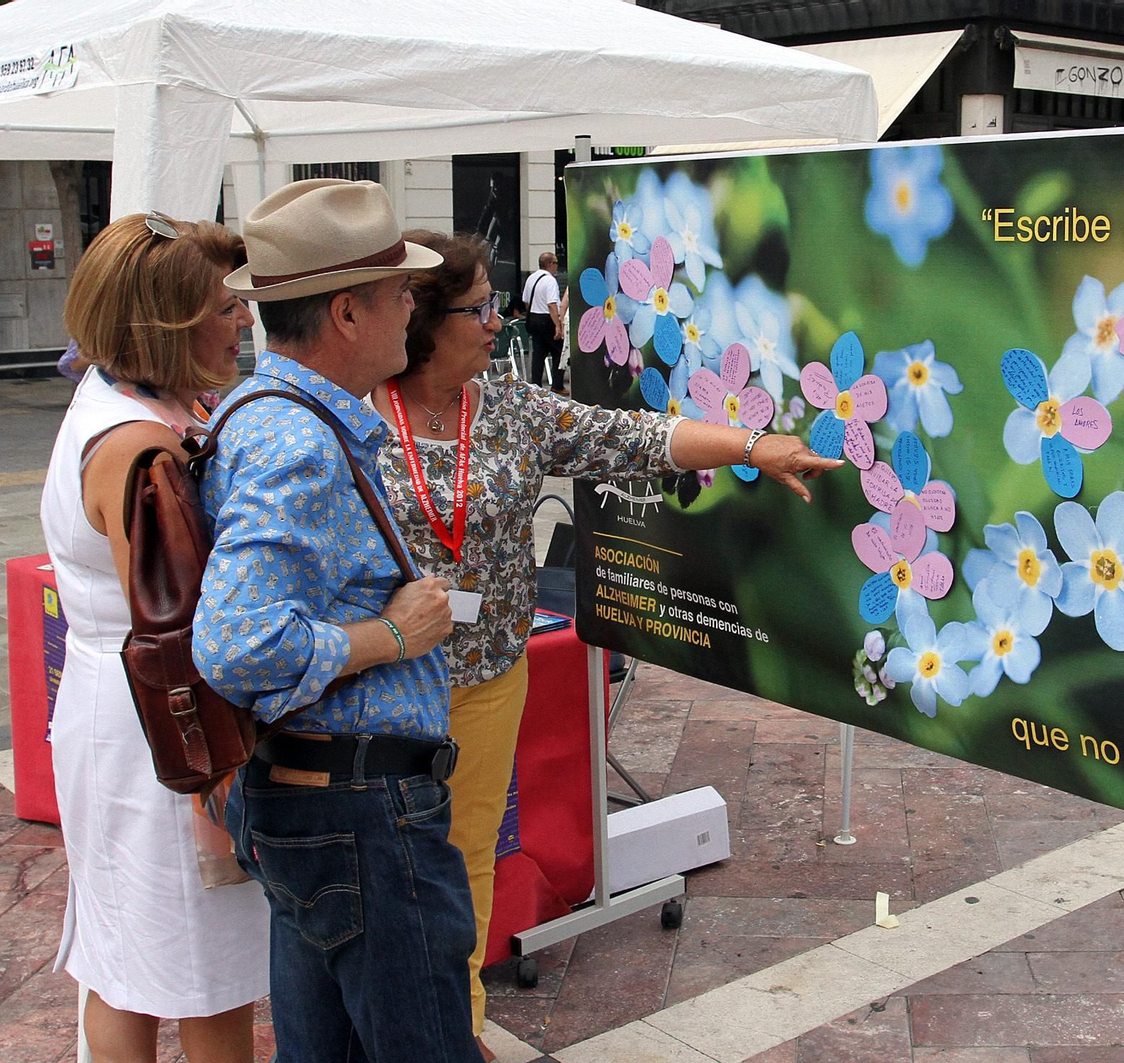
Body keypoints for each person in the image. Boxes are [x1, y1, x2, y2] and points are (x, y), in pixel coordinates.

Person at [369, 230, 843, 1059]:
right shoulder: (353, 411)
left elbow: (637, 438)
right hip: (378, 687)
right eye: (479, 306)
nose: (499, 320)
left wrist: (751, 447)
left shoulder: (511, 408)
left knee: (469, 859)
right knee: (386, 875)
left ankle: (460, 1025)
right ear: (422, 321)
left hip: (485, 679)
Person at [192, 179, 475, 1062]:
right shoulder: (299, 442)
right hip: (362, 814)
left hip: (325, 803)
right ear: (348, 313)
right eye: (401, 292)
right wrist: (392, 637)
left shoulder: (264, 413)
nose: (410, 309)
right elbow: (234, 642)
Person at [39, 211, 268, 1063]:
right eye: (222, 307)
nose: (241, 319)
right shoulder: (143, 452)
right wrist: (218, 767)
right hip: (168, 728)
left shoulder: (124, 404)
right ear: (164, 325)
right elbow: (184, 633)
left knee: (124, 953)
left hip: (121, 716)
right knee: (206, 974)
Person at [520, 251, 565, 393]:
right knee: (559, 351)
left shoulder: (531, 278)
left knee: (539, 353)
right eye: (556, 263)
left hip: (533, 317)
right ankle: (557, 384)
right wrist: (558, 325)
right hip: (547, 319)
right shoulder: (550, 280)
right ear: (550, 264)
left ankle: (536, 385)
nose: (557, 266)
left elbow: (526, 301)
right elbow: (552, 304)